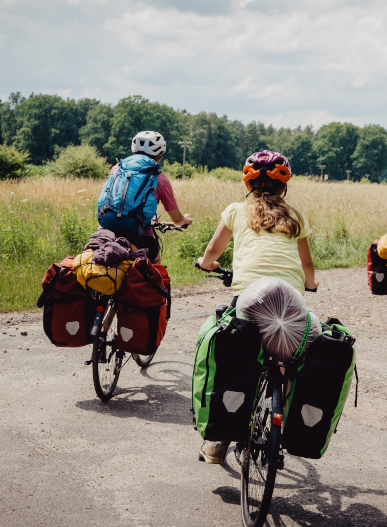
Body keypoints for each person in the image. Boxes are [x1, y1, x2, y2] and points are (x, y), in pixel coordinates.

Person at [195, 150, 318, 463]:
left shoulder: (237, 211)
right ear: (284, 187)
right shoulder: (295, 217)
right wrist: (311, 284)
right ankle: (284, 426)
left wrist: (207, 264)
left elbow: (213, 250)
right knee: (291, 360)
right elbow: (307, 264)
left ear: (247, 183)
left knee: (235, 359)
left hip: (248, 296)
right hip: (290, 298)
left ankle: (218, 440)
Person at [99, 131, 192, 262]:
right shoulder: (160, 179)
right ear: (159, 157)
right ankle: (157, 283)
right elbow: (177, 220)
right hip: (140, 238)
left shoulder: (117, 169)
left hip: (105, 232)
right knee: (156, 259)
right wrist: (185, 219)